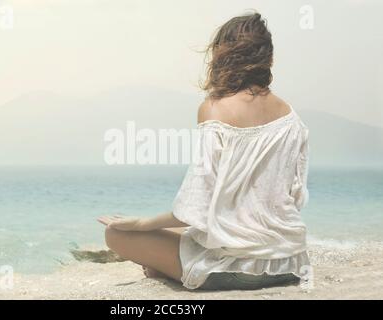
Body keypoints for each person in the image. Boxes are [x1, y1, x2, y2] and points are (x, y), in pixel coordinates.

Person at [97, 12, 310, 291]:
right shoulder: (292, 119)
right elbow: (293, 199)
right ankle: (170, 263)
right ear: (267, 59)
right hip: (289, 262)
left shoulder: (214, 110)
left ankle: (172, 269)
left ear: (222, 56)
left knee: (116, 235)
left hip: (234, 269)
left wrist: (140, 223)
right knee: (183, 233)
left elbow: (193, 209)